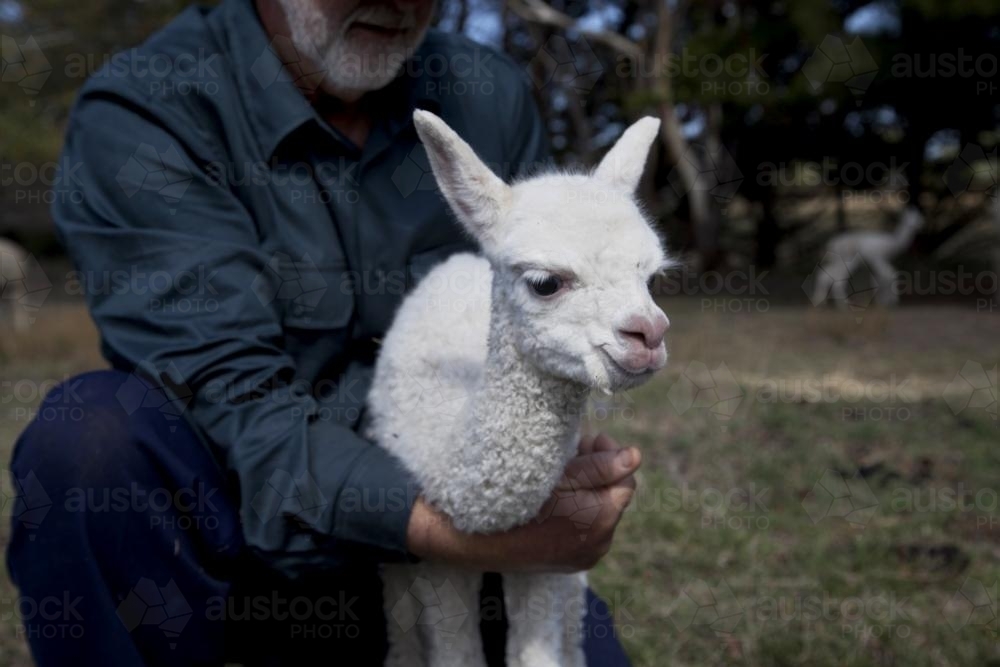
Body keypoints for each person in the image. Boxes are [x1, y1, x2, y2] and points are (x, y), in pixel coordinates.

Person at [7, 0, 642, 664]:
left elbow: (542, 338)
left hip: (459, 545)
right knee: (89, 442)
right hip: (246, 557)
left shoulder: (488, 98)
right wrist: (457, 534)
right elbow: (235, 400)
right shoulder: (149, 112)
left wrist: (562, 476)